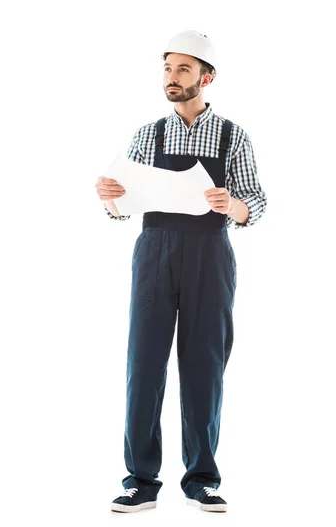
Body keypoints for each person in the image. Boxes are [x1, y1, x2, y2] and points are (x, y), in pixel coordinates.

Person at [95, 30, 267, 513]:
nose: (172, 78)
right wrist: (110, 197)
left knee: (204, 366)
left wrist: (231, 204)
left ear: (206, 78)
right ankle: (141, 481)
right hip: (153, 253)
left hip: (210, 255)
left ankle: (202, 479)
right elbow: (121, 209)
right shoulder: (147, 135)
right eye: (168, 69)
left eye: (183, 70)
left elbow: (257, 203)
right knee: (143, 365)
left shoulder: (234, 136)